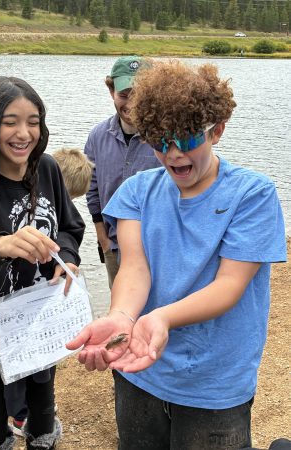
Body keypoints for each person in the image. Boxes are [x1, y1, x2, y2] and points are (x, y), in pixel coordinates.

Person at [67, 60, 287, 449]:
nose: (173, 155)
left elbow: (230, 284)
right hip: (139, 369)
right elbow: (135, 267)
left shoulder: (252, 195)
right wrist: (121, 316)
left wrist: (163, 317)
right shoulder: (137, 191)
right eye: (159, 141)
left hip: (216, 381)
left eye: (186, 140)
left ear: (216, 131)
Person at [0, 76, 85, 450]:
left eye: (33, 121)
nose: (23, 133)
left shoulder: (46, 169)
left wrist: (67, 257)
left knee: (43, 402)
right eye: (10, 122)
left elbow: (70, 226)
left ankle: (43, 440)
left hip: (41, 313)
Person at [12, 147, 93, 438]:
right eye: (68, 198)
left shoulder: (57, 207)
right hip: (16, 303)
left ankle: (36, 410)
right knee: (18, 362)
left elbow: (71, 230)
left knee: (41, 364)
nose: (67, 204)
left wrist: (68, 258)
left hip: (42, 301)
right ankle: (21, 416)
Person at [84, 55, 161, 289]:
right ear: (111, 92)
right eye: (124, 95)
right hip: (114, 250)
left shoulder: (167, 137)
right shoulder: (97, 136)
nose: (132, 104)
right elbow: (92, 192)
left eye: (140, 95)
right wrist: (104, 242)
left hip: (158, 251)